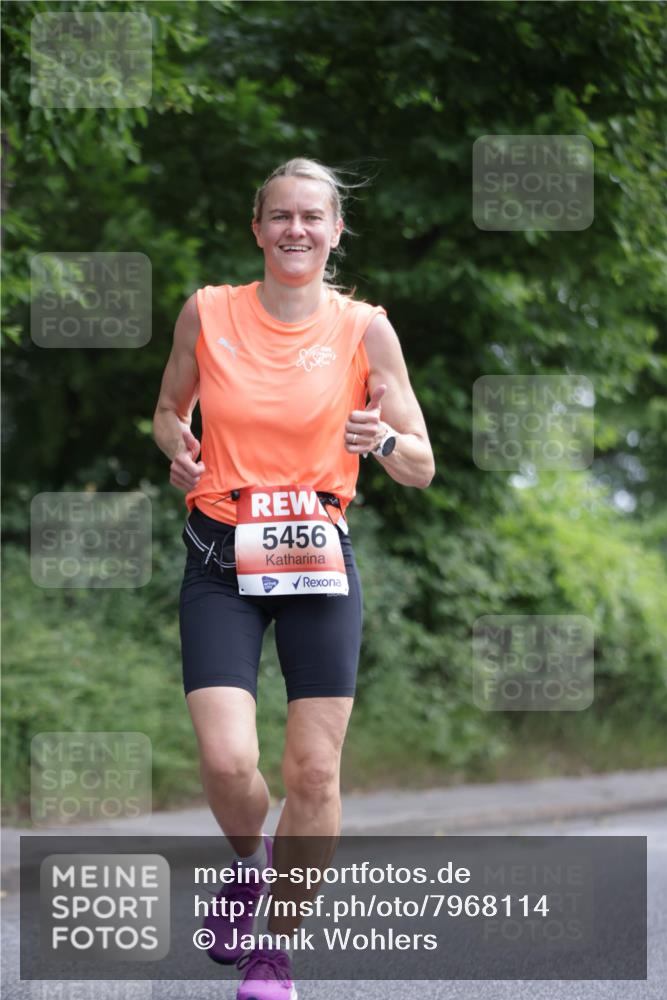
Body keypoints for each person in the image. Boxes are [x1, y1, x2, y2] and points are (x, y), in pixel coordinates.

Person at [152, 157, 434, 1000]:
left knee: (313, 774)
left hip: (316, 557)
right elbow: (168, 409)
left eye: (313, 217)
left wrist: (378, 440)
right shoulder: (208, 312)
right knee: (228, 756)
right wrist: (179, 448)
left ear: (336, 230)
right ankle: (248, 862)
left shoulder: (364, 330)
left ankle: (273, 954)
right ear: (257, 227)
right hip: (218, 554)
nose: (296, 231)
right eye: (280, 217)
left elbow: (421, 464)